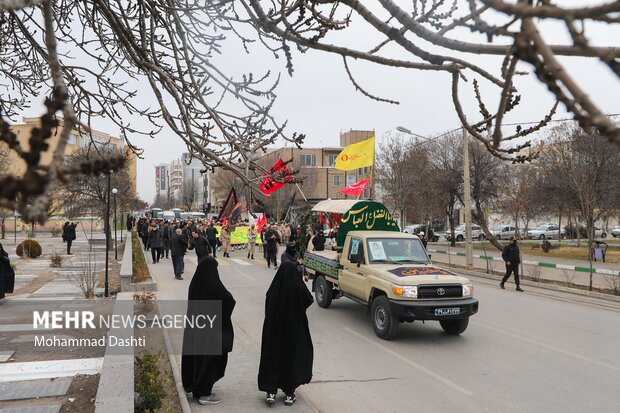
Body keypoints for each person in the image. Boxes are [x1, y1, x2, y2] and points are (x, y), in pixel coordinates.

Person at [258, 262, 314, 406]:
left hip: (274, 330)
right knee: (292, 358)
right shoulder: (297, 286)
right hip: (294, 330)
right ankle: (289, 393)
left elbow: (268, 303)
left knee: (273, 358)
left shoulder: (275, 287)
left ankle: (271, 392)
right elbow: (308, 299)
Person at [182, 257, 236, 405]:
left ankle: (197, 389)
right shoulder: (214, 285)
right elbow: (229, 300)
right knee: (209, 360)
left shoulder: (195, 283)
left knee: (198, 359)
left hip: (196, 329)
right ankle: (205, 393)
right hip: (211, 332)